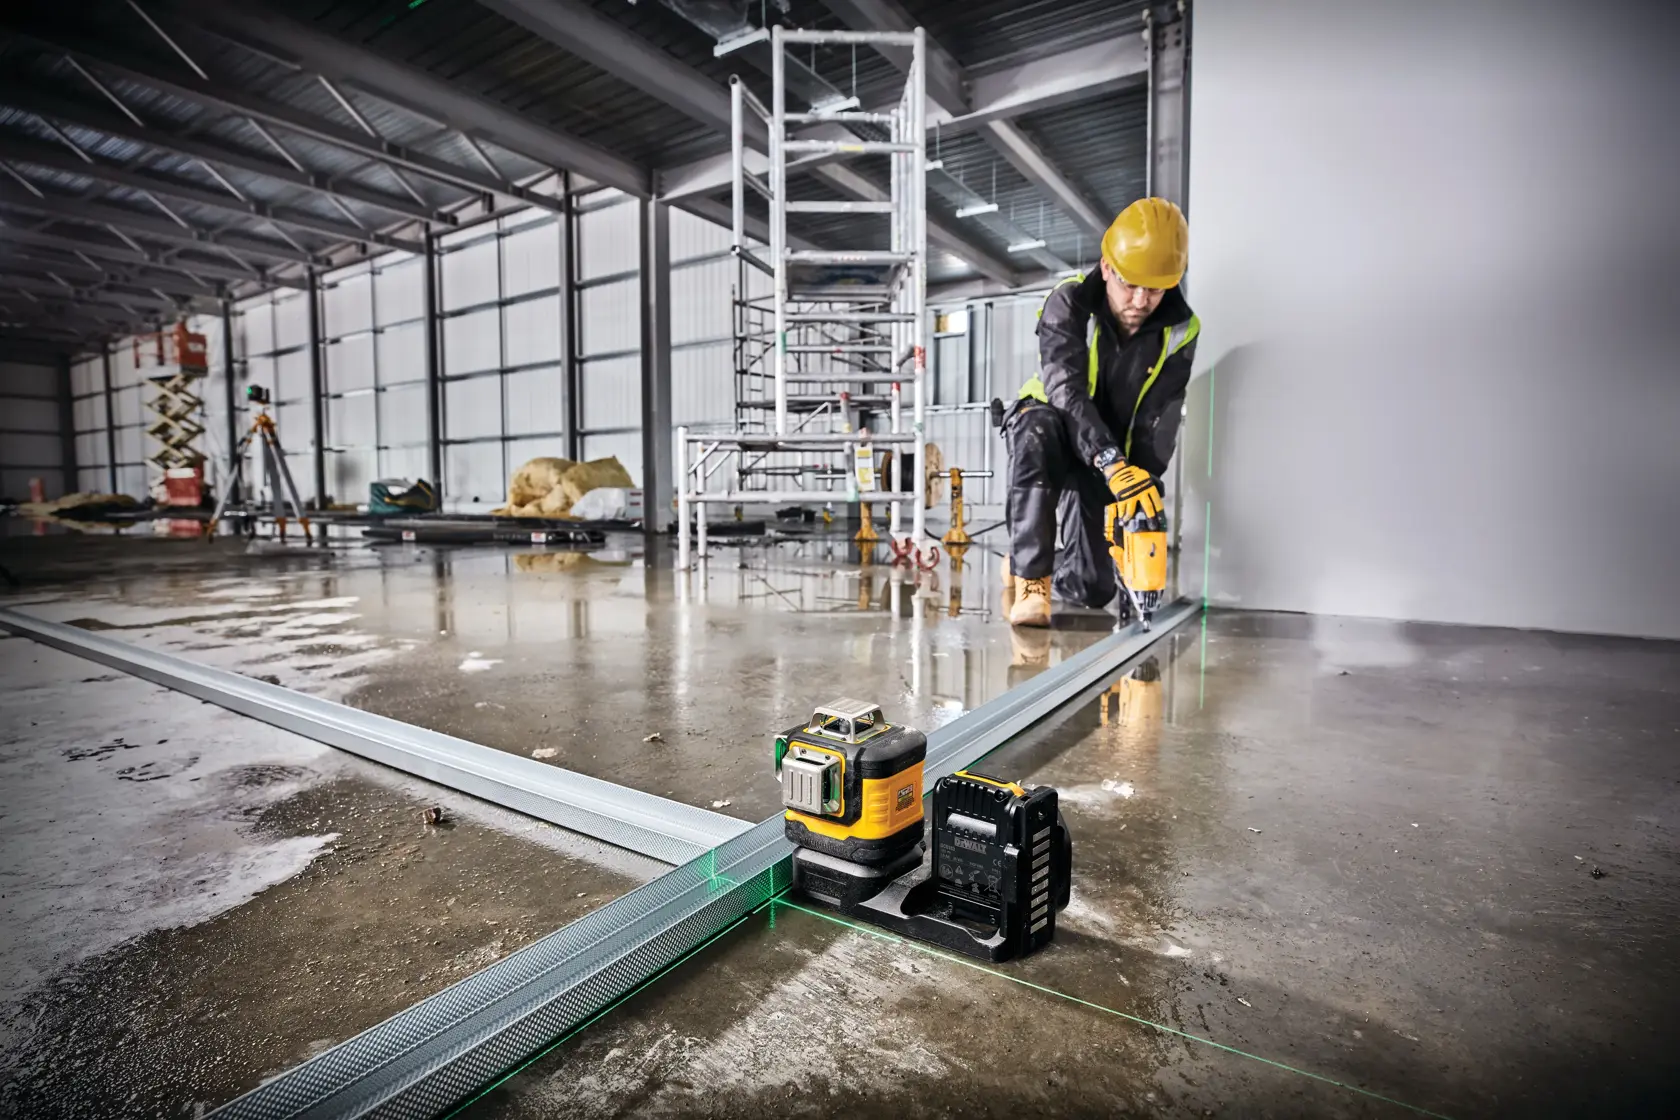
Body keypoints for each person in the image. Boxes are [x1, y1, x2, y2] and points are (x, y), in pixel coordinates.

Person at [1000, 198, 1200, 628]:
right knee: (1037, 429)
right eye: (1130, 284)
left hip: (1109, 456)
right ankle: (1031, 579)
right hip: (1056, 429)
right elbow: (1065, 390)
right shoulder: (1069, 301)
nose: (1141, 300)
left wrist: (1140, 486)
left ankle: (1034, 562)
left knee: (1093, 590)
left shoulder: (1182, 329)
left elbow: (1159, 417)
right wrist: (1111, 462)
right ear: (1107, 267)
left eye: (1156, 288)